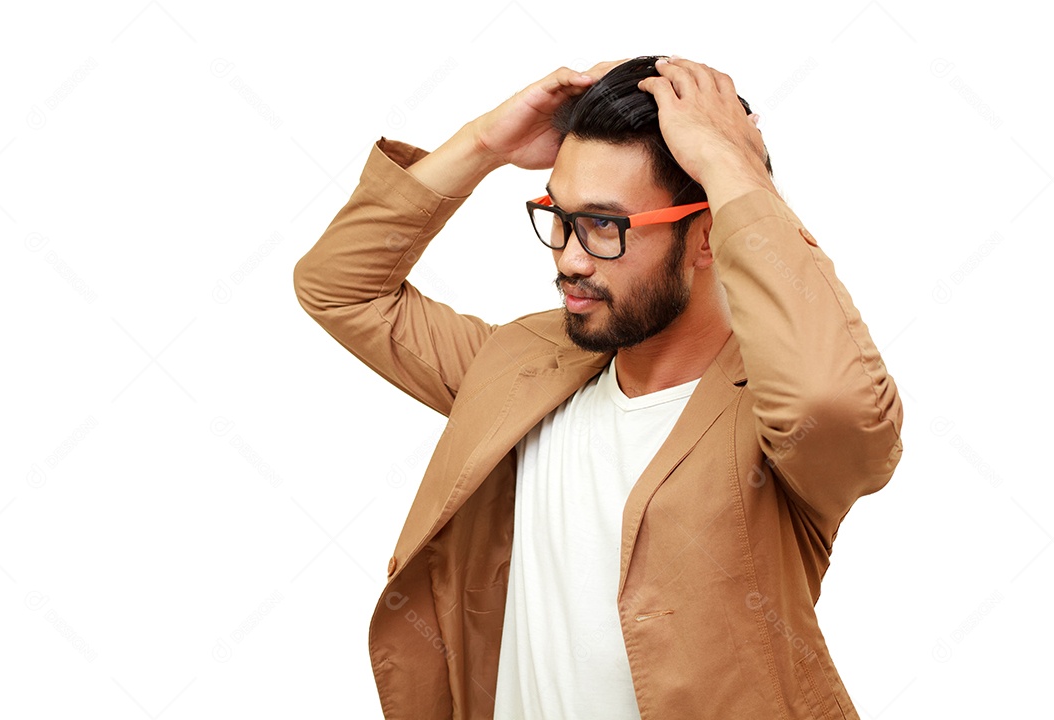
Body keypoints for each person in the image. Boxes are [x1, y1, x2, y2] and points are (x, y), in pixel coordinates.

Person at [294, 55, 904, 720]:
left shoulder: (776, 422)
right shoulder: (521, 367)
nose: (570, 258)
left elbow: (838, 405)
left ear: (707, 238)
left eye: (605, 227)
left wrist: (734, 167)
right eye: (560, 215)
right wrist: (483, 144)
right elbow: (339, 287)